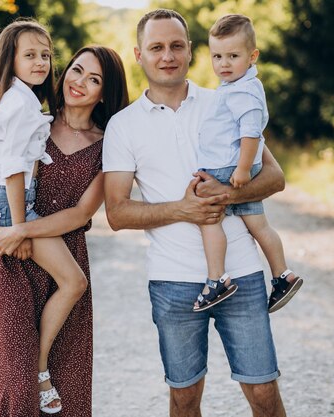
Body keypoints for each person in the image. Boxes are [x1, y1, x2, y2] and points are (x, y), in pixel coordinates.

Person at [102, 9, 287, 417]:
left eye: (176, 46)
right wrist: (184, 209)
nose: (167, 55)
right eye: (156, 47)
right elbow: (116, 212)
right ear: (139, 54)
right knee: (184, 398)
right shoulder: (123, 125)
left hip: (242, 274)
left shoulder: (226, 97)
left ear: (190, 51)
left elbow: (274, 177)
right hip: (172, 282)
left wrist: (225, 193)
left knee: (263, 394)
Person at [0, 44, 129, 416]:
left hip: (63, 261)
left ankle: (41, 365)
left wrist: (22, 229)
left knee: (68, 386)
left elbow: (81, 213)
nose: (79, 82)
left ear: (104, 93)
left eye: (94, 79)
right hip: (11, 262)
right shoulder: (33, 123)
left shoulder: (108, 145)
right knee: (13, 387)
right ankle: (8, 351)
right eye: (76, 70)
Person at [193, 14, 303, 313]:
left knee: (208, 218)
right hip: (233, 166)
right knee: (259, 224)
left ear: (252, 56)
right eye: (217, 56)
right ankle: (283, 274)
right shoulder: (237, 86)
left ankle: (216, 278)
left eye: (233, 56)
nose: (224, 63)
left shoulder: (243, 90)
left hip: (227, 168)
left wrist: (242, 169)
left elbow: (251, 132)